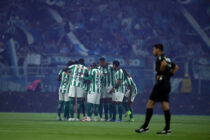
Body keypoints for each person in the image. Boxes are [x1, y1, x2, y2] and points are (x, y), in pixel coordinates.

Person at [135, 44, 179, 134]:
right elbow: (176, 67)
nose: (153, 51)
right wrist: (168, 76)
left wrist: (160, 74)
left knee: (150, 103)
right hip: (167, 84)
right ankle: (167, 129)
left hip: (161, 84)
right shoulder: (168, 58)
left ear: (158, 49)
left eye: (154, 50)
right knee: (165, 105)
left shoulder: (160, 58)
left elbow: (163, 64)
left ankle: (145, 127)